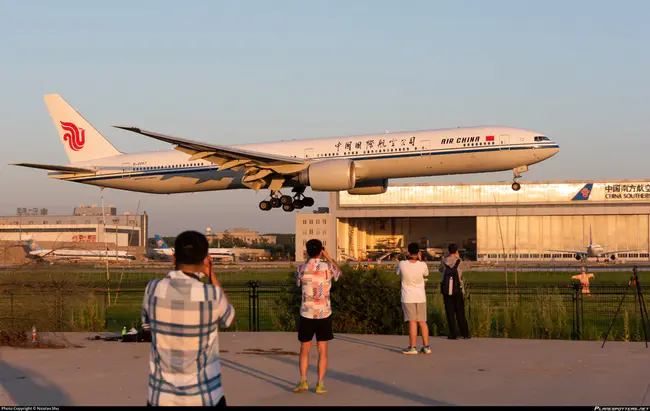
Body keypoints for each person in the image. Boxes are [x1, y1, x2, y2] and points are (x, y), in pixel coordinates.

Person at [141, 230, 235, 407]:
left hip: (161, 397)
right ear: (204, 260)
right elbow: (229, 318)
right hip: (204, 395)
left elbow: (146, 327)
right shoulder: (212, 295)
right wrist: (211, 274)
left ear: (174, 259)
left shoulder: (152, 289)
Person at [293, 239, 342, 394]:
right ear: (321, 250)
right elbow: (339, 272)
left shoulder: (301, 268)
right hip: (324, 313)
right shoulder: (328, 267)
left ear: (307, 251)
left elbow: (298, 284)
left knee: (304, 349)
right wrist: (327, 256)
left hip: (306, 312)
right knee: (323, 349)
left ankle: (303, 381)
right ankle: (320, 383)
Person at [396, 243, 431, 354]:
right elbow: (426, 274)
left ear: (408, 253)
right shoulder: (422, 265)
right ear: (419, 253)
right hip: (420, 296)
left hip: (408, 297)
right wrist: (420, 260)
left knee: (412, 322)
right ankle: (426, 346)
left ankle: (412, 347)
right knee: (422, 321)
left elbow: (397, 273)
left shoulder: (402, 264)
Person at [439, 244, 470, 339]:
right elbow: (466, 268)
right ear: (456, 251)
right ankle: (465, 333)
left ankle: (453, 333)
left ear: (448, 251)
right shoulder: (459, 261)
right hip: (458, 290)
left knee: (450, 312)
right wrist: (458, 258)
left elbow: (440, 270)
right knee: (460, 312)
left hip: (446, 290)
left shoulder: (444, 261)